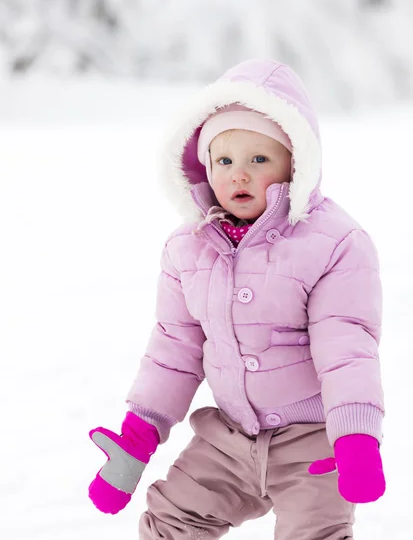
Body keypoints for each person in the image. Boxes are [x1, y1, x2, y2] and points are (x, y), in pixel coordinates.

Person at [88, 58, 386, 539]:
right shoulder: (188, 249)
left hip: (314, 442)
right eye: (225, 161)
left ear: (296, 161)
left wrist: (355, 437)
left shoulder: (335, 243)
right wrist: (139, 433)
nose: (239, 176)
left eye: (259, 160)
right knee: (171, 520)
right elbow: (173, 350)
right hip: (228, 438)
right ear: (204, 166)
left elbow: (347, 349)